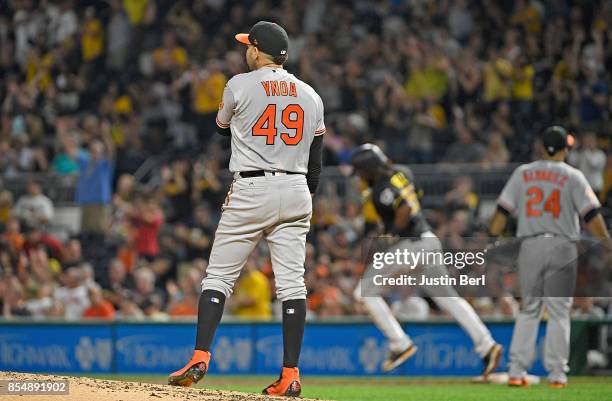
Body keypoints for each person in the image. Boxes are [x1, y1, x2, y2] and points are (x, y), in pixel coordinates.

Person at [168, 21, 325, 397]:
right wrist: (304, 199)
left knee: (219, 277)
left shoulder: (239, 83)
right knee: (292, 285)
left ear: (256, 50)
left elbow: (222, 128)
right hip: (297, 187)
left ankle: (200, 356)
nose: (245, 51)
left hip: (253, 186)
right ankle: (290, 374)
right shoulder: (311, 95)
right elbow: (316, 159)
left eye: (247, 46)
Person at [350, 144, 502, 376]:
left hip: (410, 245)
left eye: (361, 171)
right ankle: (487, 345)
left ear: (369, 168)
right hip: (428, 241)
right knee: (449, 300)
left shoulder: (381, 188)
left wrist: (394, 234)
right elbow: (415, 198)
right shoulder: (402, 172)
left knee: (364, 292)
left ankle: (399, 343)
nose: (359, 176)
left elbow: (405, 209)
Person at [489, 126, 611, 388]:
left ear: (542, 148)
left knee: (529, 310)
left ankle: (516, 371)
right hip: (562, 246)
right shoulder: (573, 175)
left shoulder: (523, 173)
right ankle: (556, 374)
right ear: (565, 149)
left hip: (531, 245)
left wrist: (492, 236)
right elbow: (592, 216)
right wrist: (608, 243)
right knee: (558, 312)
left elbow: (501, 212)